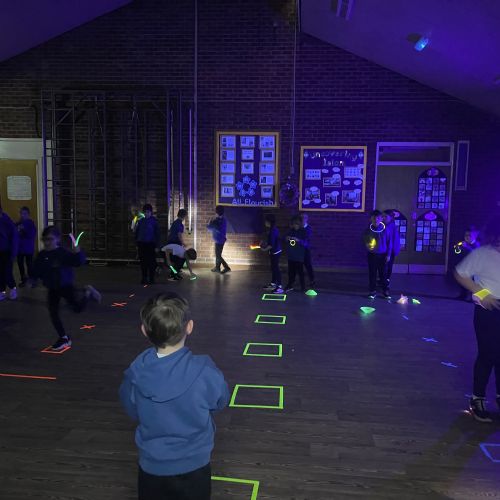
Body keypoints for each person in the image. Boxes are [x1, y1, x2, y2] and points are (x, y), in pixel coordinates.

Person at [119, 292, 229, 500]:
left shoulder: (134, 374)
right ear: (190, 327)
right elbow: (220, 401)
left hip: (152, 467)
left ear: (144, 331)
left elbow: (132, 410)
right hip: (195, 464)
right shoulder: (206, 372)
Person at [454, 216, 500, 423]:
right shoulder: (483, 254)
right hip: (488, 310)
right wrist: (483, 294)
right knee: (488, 354)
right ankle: (477, 398)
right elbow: (460, 274)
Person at [31, 226, 101, 351]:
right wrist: (33, 279)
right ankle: (63, 338)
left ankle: (88, 292)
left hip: (65, 286)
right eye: (44, 239)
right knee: (53, 313)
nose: (47, 242)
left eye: (50, 239)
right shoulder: (42, 255)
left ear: (57, 239)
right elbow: (37, 269)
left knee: (77, 308)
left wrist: (78, 251)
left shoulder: (62, 253)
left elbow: (78, 262)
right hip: (52, 288)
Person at [363, 210, 391, 299]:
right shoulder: (368, 230)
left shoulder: (386, 230)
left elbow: (389, 243)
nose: (376, 220)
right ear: (371, 219)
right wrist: (368, 246)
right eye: (374, 218)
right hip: (372, 255)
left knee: (383, 274)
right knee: (372, 274)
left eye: (378, 218)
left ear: (381, 219)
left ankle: (385, 291)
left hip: (383, 255)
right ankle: (372, 291)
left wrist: (388, 255)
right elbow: (365, 241)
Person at [452, 226, 480, 301]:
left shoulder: (476, 244)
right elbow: (457, 252)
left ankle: (472, 298)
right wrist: (457, 248)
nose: (467, 237)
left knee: (472, 282)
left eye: (469, 235)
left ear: (474, 236)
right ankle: (463, 295)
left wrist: (467, 247)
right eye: (465, 235)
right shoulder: (463, 244)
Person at [135, 204, 161, 285]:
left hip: (151, 244)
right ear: (144, 212)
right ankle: (144, 278)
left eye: (148, 212)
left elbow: (157, 234)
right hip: (142, 244)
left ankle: (151, 278)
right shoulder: (140, 221)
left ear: (151, 212)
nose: (147, 213)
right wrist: (137, 244)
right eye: (145, 212)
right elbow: (137, 233)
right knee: (143, 262)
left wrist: (157, 246)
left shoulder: (154, 222)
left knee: (151, 262)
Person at [284, 215, 308, 293]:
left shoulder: (303, 231)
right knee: (291, 272)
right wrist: (287, 238)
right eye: (293, 224)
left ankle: (303, 286)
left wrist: (298, 240)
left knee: (300, 272)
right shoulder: (290, 231)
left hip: (299, 256)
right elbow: (284, 239)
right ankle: (290, 285)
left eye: (296, 224)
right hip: (291, 255)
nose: (295, 225)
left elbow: (306, 244)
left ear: (299, 224)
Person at [260, 214, 283, 293]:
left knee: (276, 268)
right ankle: (273, 284)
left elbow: (271, 245)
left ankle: (279, 287)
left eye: (266, 221)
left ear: (269, 221)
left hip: (275, 252)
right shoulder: (272, 229)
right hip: (274, 251)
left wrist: (264, 249)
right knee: (273, 268)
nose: (264, 222)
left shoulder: (273, 230)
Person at [0, 205, 18, 301]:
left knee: (7, 272)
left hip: (7, 251)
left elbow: (14, 238)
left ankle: (13, 289)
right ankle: (2, 291)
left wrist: (13, 253)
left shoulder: (8, 222)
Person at [16, 206, 37, 287]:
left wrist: (23, 230)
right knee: (20, 264)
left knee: (29, 265)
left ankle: (32, 280)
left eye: (24, 213)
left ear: (28, 214)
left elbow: (32, 235)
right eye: (21, 213)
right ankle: (23, 279)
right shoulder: (18, 223)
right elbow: (15, 234)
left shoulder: (31, 224)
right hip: (20, 248)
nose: (22, 215)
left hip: (28, 248)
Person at [207, 206, 230, 274]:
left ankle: (226, 267)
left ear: (216, 211)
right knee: (218, 254)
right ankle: (217, 267)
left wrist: (210, 222)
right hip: (219, 239)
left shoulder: (219, 220)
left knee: (218, 255)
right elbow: (210, 228)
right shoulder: (220, 219)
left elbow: (209, 227)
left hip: (220, 240)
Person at [383, 209, 401, 284]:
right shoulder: (388, 225)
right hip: (388, 249)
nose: (383, 218)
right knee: (386, 265)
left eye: (385, 216)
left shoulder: (390, 227)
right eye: (383, 216)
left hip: (390, 250)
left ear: (391, 217)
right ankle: (385, 280)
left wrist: (389, 254)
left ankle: (386, 280)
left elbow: (392, 241)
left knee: (387, 266)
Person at [301, 213, 315, 287]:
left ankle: (312, 280)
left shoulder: (309, 228)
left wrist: (300, 241)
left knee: (308, 266)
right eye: (301, 218)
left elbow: (307, 239)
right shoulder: (298, 227)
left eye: (304, 218)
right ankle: (302, 282)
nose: (302, 219)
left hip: (306, 249)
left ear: (307, 219)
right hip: (299, 250)